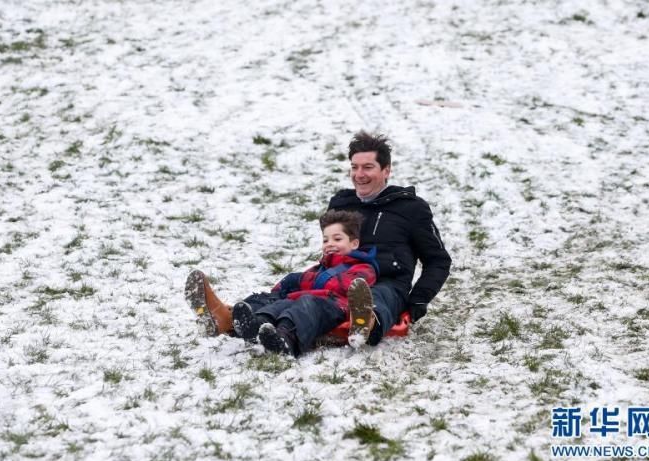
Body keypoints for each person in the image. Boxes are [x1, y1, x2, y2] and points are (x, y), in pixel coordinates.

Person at [185, 131, 451, 347]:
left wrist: (417, 302)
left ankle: (365, 322)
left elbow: (438, 260)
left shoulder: (411, 208)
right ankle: (230, 318)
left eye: (368, 167)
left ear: (386, 170)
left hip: (387, 281)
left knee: (374, 296)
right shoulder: (342, 202)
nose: (360, 174)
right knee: (291, 290)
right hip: (340, 273)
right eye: (355, 167)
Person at [233, 210, 378, 356]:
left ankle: (284, 339)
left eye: (337, 239)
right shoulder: (321, 267)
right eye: (325, 240)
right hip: (304, 301)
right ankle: (255, 326)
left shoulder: (363, 267)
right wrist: (279, 291)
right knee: (280, 302)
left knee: (305, 304)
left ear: (354, 243)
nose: (330, 244)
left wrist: (301, 280)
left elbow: (344, 285)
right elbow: (286, 288)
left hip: (333, 307)